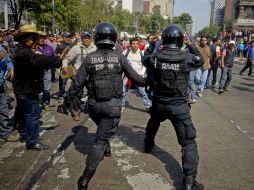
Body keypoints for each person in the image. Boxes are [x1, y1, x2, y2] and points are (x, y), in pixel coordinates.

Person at [63, 22, 145, 190]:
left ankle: (106, 147)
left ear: (96, 38)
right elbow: (137, 80)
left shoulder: (89, 58)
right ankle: (84, 179)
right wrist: (151, 80)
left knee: (103, 128)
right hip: (112, 107)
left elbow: (76, 85)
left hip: (93, 106)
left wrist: (70, 104)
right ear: (114, 38)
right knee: (100, 140)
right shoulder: (120, 57)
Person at [144, 24, 203, 190]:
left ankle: (148, 144)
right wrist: (190, 44)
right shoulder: (186, 57)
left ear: (163, 38)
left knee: (153, 121)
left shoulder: (156, 56)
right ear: (180, 39)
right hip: (179, 105)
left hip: (160, 102)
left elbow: (146, 58)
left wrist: (150, 43)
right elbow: (200, 60)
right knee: (188, 143)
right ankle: (189, 182)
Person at [13, 24, 62, 150]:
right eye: (32, 38)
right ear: (24, 38)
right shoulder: (23, 52)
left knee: (25, 114)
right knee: (32, 115)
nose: (35, 40)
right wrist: (54, 60)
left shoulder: (25, 50)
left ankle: (25, 135)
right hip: (26, 89)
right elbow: (36, 59)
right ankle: (32, 141)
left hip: (27, 88)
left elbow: (36, 63)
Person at [62, 31, 96, 121]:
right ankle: (76, 113)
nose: (86, 39)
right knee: (76, 94)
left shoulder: (95, 48)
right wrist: (65, 66)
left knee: (94, 92)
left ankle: (88, 108)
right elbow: (67, 59)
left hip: (91, 75)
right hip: (78, 75)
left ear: (91, 38)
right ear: (81, 39)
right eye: (84, 37)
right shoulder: (76, 48)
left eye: (88, 37)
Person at [121, 37, 151, 112]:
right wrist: (122, 74)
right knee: (123, 91)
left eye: (137, 43)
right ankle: (122, 105)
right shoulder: (125, 53)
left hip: (138, 76)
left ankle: (148, 107)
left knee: (142, 92)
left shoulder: (142, 53)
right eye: (133, 44)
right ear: (130, 45)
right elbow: (121, 64)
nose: (135, 45)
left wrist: (142, 73)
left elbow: (145, 65)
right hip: (128, 76)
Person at [0, 45, 19, 142]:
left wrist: (11, 68)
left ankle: (6, 133)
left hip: (0, 85)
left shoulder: (0, 48)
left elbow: (7, 61)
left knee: (3, 110)